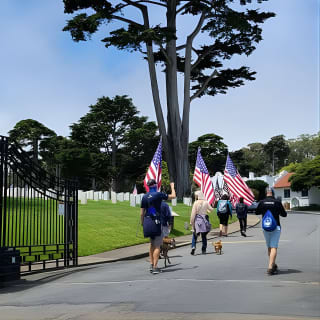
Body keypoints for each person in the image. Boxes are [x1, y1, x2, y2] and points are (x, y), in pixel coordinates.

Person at [140, 179, 176, 274]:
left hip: (147, 221)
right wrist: (172, 187)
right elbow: (173, 196)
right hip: (156, 222)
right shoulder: (158, 194)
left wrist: (142, 222)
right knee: (157, 246)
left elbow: (141, 213)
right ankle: (155, 267)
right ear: (155, 185)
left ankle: (151, 264)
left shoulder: (144, 197)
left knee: (152, 244)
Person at [256, 187, 287, 275]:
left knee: (269, 247)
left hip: (266, 227)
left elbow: (257, 212)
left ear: (266, 193)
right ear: (273, 193)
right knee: (274, 247)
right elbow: (284, 215)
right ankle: (270, 267)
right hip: (276, 227)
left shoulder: (262, 202)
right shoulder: (277, 202)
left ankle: (273, 264)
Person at [190, 190, 213, 255]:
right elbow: (211, 209)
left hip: (198, 219)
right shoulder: (206, 202)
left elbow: (193, 213)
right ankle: (204, 248)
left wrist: (191, 222)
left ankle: (193, 246)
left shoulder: (196, 203)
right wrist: (207, 210)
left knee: (195, 235)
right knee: (204, 235)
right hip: (204, 219)